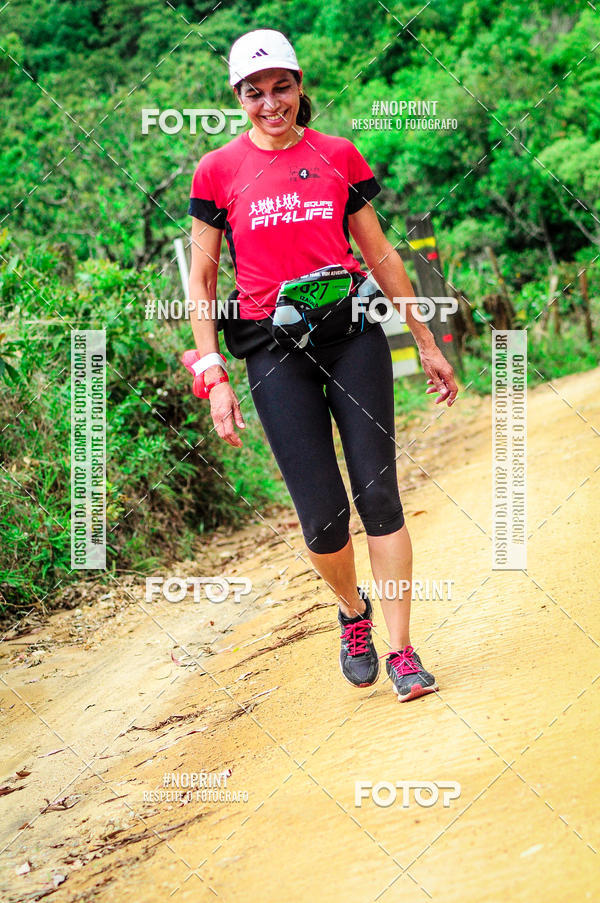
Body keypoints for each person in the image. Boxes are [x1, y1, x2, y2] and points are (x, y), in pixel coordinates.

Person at [186, 29, 458, 701]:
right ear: (238, 97)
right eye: (255, 91)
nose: (270, 102)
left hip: (352, 337)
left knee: (379, 493)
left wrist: (425, 338)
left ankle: (402, 649)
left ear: (299, 85)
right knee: (323, 518)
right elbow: (202, 279)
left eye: (281, 86)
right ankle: (351, 611)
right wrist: (212, 373)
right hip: (274, 353)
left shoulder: (337, 155)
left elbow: (384, 255)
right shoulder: (216, 172)